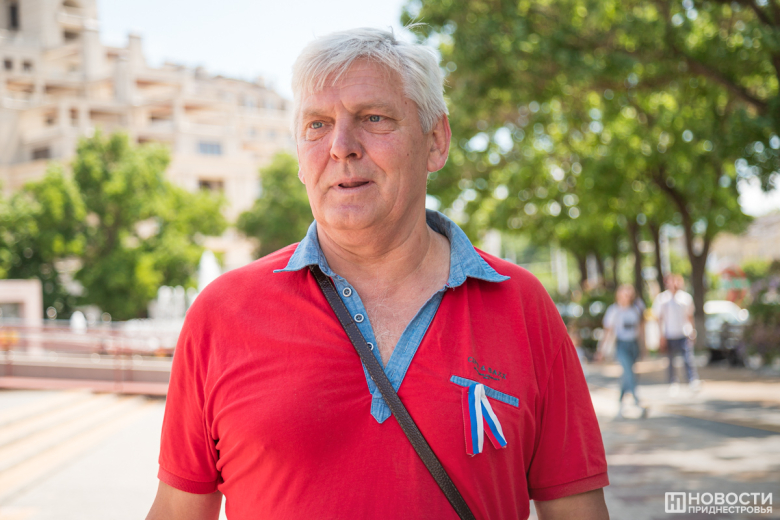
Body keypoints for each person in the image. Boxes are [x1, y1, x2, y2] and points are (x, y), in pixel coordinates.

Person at [146, 28, 609, 520]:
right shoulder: (222, 314)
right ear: (300, 156)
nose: (341, 146)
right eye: (318, 125)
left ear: (435, 142)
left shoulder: (522, 306)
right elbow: (177, 510)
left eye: (373, 118)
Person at [602, 284, 647, 418]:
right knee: (629, 372)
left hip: (634, 345)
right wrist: (602, 350)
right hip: (621, 345)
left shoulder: (636, 309)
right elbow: (608, 331)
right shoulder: (614, 310)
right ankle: (637, 401)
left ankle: (620, 405)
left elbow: (641, 330)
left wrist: (643, 347)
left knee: (628, 375)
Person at [653, 274, 699, 391]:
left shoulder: (686, 298)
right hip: (669, 334)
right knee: (670, 360)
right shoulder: (662, 299)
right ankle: (673, 382)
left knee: (688, 358)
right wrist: (660, 335)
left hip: (684, 333)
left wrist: (693, 331)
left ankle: (692, 379)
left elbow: (689, 316)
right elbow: (659, 318)